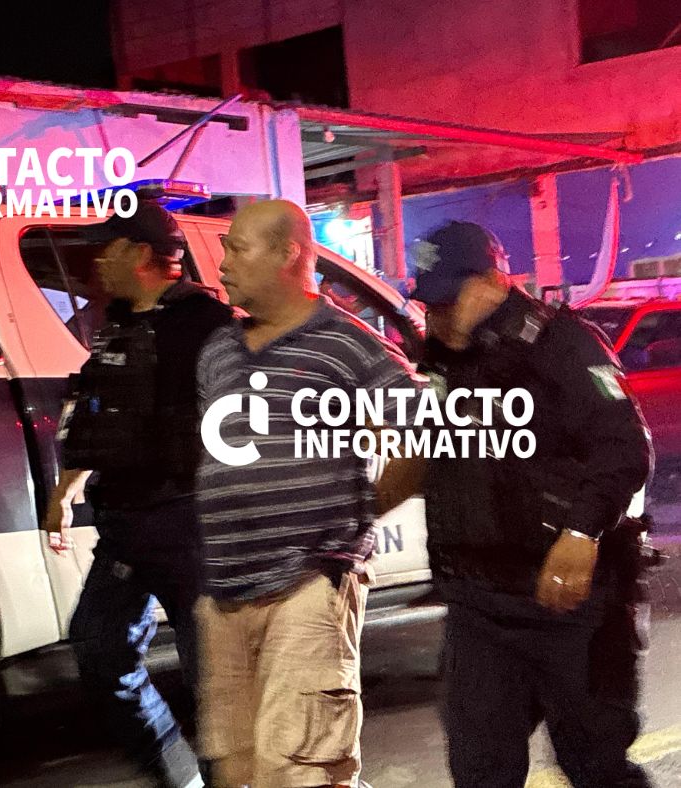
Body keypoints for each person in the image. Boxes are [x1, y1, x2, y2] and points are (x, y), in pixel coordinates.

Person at [409, 220, 654, 788]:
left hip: (569, 605)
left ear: (493, 281)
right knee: (480, 770)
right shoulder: (446, 357)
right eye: (429, 302)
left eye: (448, 300)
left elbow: (626, 447)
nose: (436, 315)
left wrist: (581, 533)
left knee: (596, 767)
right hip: (479, 606)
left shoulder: (561, 343)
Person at [194, 199, 422, 788]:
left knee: (301, 772)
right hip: (225, 591)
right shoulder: (219, 351)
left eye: (237, 248)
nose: (222, 265)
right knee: (233, 769)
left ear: (287, 253)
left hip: (308, 583)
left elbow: (424, 438)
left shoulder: (349, 344)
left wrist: (357, 518)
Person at [46, 202, 233, 787]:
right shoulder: (117, 322)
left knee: (217, 688)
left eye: (111, 247)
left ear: (144, 255)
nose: (99, 260)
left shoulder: (208, 325)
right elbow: (97, 413)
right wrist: (66, 490)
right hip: (126, 527)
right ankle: (180, 776)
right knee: (100, 651)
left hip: (191, 528)